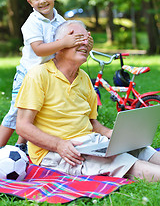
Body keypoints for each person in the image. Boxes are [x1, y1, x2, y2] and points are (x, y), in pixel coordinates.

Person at [15, 20, 160, 182]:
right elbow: (22, 126)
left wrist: (110, 134)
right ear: (58, 45)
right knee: (125, 163)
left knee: (141, 149)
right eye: (76, 37)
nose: (84, 42)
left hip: (90, 143)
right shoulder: (38, 75)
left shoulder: (84, 78)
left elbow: (92, 123)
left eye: (86, 38)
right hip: (57, 153)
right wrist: (58, 144)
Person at [0, 0, 93, 153]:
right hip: (28, 74)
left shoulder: (61, 22)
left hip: (49, 75)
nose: (42, 1)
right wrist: (65, 42)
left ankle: (21, 146)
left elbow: (71, 44)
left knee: (38, 110)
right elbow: (39, 49)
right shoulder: (31, 24)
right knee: (15, 114)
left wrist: (86, 43)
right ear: (30, 2)